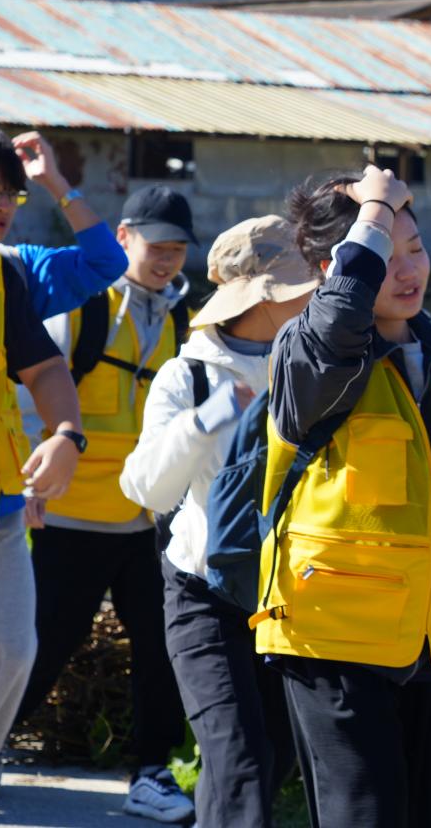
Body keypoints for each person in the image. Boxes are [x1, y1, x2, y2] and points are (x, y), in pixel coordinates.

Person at [260, 165, 431, 827]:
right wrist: (375, 215)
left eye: (415, 249)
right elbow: (337, 325)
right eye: (387, 256)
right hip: (333, 634)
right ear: (337, 267)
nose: (409, 269)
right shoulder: (310, 353)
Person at [0, 123, 126, 828]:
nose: (4, 205)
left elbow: (104, 262)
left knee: (13, 651)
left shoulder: (12, 270)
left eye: (13, 194)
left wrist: (56, 183)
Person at [118, 216, 319, 828]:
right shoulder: (189, 376)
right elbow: (147, 487)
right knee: (239, 763)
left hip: (287, 596)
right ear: (263, 298)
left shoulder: (317, 369)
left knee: (272, 757)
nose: (316, 300)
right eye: (302, 288)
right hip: (203, 592)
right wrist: (205, 421)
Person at [13, 184, 199, 823]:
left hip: (148, 517)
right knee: (41, 644)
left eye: (177, 250)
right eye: (157, 246)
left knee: (162, 649)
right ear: (123, 238)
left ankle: (152, 772)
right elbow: (30, 395)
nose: (167, 260)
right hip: (71, 511)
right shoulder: (85, 305)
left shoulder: (180, 316)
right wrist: (26, 486)